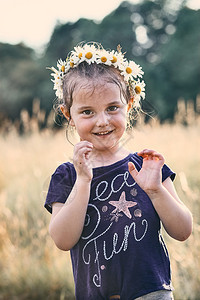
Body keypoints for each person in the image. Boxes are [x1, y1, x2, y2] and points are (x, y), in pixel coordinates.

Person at [44, 42, 192, 300]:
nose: (102, 121)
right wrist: (83, 181)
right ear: (68, 114)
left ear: (130, 103)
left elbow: (183, 230)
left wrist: (156, 191)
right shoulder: (68, 175)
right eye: (87, 112)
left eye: (112, 108)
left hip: (151, 294)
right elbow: (62, 240)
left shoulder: (147, 165)